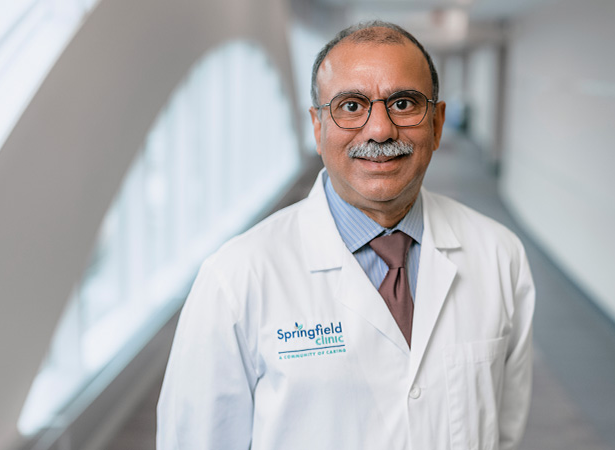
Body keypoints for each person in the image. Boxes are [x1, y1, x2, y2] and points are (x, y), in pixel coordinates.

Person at [157, 21, 535, 450]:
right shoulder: (236, 278)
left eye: (404, 103)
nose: (380, 130)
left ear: (436, 123)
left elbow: (504, 432)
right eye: (351, 106)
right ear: (318, 128)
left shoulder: (500, 256)